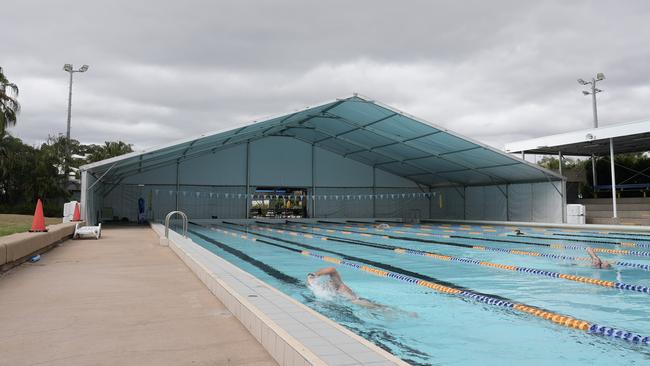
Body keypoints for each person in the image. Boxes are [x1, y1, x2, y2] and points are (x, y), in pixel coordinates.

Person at [306, 268, 388, 310]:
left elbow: (332, 269)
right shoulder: (329, 290)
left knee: (383, 309)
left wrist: (315, 274)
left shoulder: (337, 285)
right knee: (382, 307)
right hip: (357, 302)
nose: (325, 285)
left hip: (360, 303)